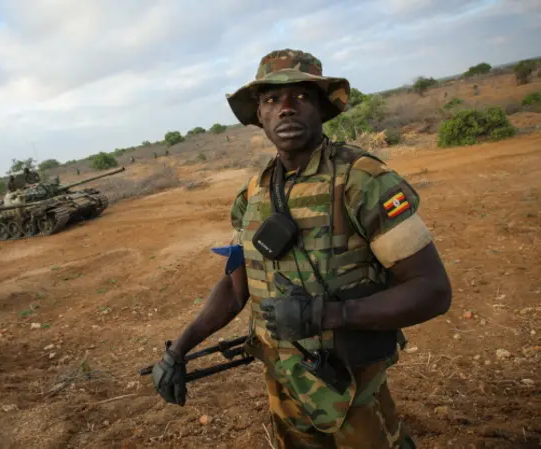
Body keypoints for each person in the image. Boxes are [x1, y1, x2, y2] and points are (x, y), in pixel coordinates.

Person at [149, 49, 452, 449]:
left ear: (321, 108)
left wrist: (330, 314)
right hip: (284, 383)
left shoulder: (361, 182)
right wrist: (179, 350)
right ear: (259, 114)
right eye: (272, 100)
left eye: (301, 97)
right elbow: (237, 287)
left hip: (349, 383)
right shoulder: (253, 194)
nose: (286, 109)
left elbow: (432, 289)